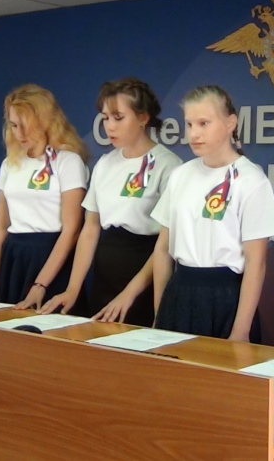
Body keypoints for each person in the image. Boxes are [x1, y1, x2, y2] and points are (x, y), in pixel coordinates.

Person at [40, 78, 182, 325]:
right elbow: (91, 229)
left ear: (143, 117)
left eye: (118, 118)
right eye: (105, 118)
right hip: (104, 277)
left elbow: (165, 244)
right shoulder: (105, 163)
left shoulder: (169, 166)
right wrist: (73, 288)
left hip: (144, 275)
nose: (109, 126)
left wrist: (129, 294)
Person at [150, 85, 274, 342]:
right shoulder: (180, 175)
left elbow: (256, 262)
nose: (194, 133)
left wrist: (241, 330)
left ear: (230, 123)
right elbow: (163, 249)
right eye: (189, 124)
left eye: (204, 123)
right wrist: (160, 311)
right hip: (179, 293)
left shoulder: (251, 180)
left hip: (225, 298)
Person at [0, 83, 89, 312]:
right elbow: (1, 226)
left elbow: (72, 229)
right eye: (14, 125)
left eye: (25, 126)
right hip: (13, 258)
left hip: (51, 257)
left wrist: (41, 284)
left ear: (44, 121)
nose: (19, 134)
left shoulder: (68, 161)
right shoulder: (10, 164)